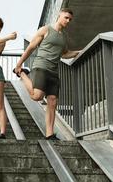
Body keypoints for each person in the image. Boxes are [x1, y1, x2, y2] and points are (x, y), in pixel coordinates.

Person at [13, 8, 81, 140]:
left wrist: (79, 52)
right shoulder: (46, 30)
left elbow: (65, 54)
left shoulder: (63, 38)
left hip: (54, 72)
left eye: (70, 19)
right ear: (59, 16)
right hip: (41, 67)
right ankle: (23, 74)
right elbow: (31, 46)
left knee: (52, 102)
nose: (68, 21)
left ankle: (49, 134)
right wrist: (19, 64)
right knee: (37, 96)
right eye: (66, 17)